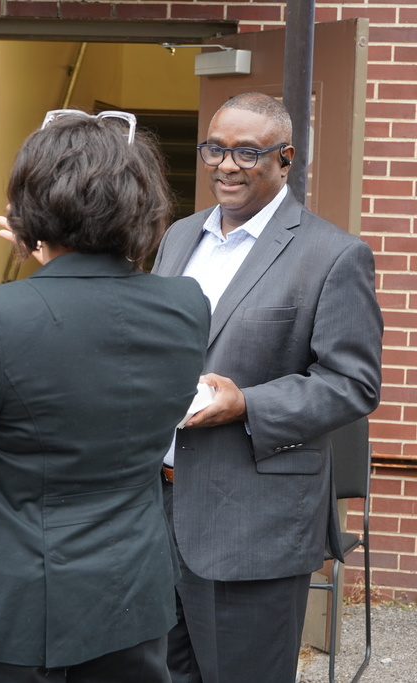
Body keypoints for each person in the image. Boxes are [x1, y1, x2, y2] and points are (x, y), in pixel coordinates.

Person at [0, 109, 211, 683]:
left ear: (28, 212)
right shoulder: (185, 306)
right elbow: (99, 316)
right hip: (130, 597)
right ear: (144, 204)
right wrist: (50, 243)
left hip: (9, 610)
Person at [152, 92, 383, 683]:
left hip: (250, 523)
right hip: (157, 509)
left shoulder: (332, 255)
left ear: (286, 158)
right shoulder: (178, 237)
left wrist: (248, 403)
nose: (227, 165)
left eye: (247, 153)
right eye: (216, 149)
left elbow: (351, 383)